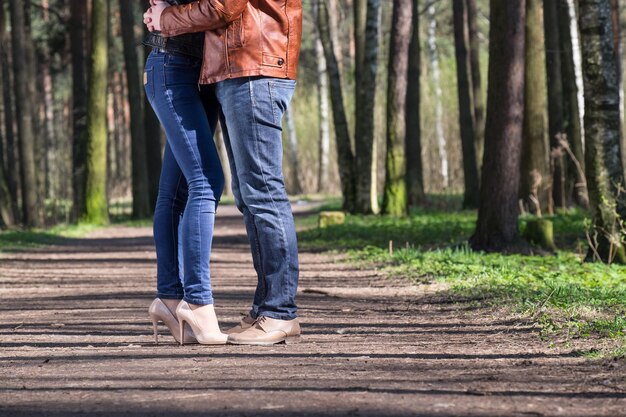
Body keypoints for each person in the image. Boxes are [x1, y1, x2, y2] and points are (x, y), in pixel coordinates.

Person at [144, 0, 302, 345]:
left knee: (260, 192)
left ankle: (278, 311)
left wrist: (166, 17)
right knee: (248, 194)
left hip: (251, 63)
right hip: (232, 66)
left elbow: (224, 6)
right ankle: (266, 309)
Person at [144, 0, 228, 345]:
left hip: (204, 73)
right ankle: (197, 300)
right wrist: (163, 15)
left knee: (176, 191)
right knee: (206, 181)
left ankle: (168, 297)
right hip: (172, 66)